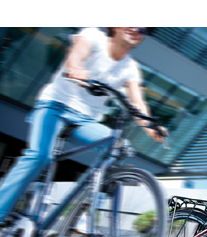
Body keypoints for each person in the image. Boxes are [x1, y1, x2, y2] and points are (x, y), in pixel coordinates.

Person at [0, 27, 164, 226]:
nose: (136, 29)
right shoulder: (92, 35)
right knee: (40, 155)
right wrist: (75, 67)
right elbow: (76, 56)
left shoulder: (130, 67)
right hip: (55, 107)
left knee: (118, 147)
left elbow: (138, 103)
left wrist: (151, 127)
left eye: (143, 29)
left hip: (85, 121)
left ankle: (82, 213)